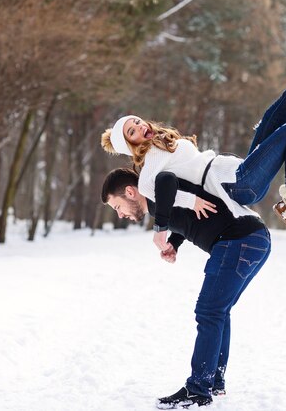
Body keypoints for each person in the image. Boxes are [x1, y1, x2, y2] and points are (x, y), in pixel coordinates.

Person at [101, 11, 286, 241]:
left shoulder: (160, 144)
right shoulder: (150, 157)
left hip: (239, 174)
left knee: (272, 117)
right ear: (131, 145)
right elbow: (148, 189)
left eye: (137, 122)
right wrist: (189, 202)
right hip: (238, 184)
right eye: (132, 132)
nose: (139, 127)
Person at [101, 167, 271, 408]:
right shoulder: (161, 204)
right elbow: (187, 214)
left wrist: (161, 229)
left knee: (209, 312)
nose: (120, 215)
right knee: (218, 311)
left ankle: (198, 390)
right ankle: (213, 382)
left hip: (238, 240)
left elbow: (167, 178)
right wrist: (174, 242)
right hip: (252, 239)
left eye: (117, 207)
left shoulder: (157, 192)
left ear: (130, 192)